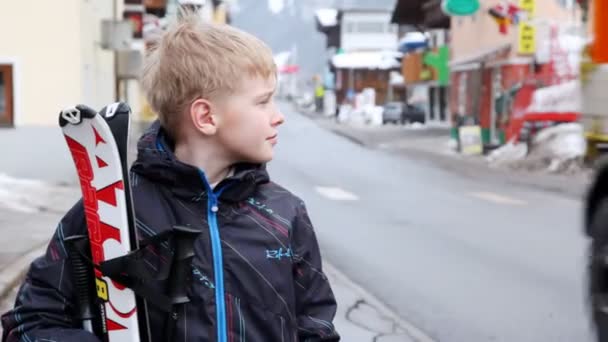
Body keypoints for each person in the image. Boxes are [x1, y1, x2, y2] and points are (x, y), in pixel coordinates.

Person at [1, 12, 340, 342]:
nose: (278, 116)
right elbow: (32, 321)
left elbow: (316, 326)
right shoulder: (114, 210)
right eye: (263, 102)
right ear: (206, 116)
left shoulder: (284, 215)